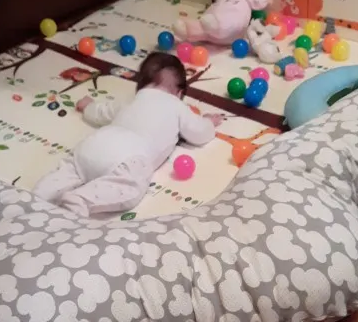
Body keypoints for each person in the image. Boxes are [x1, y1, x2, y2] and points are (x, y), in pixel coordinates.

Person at [34, 53, 221, 217]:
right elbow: (199, 133)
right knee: (130, 187)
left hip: (96, 144)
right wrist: (209, 122)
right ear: (179, 93)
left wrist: (88, 106)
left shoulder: (131, 101)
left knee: (67, 172)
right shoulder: (177, 106)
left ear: (141, 85)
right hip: (129, 157)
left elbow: (102, 112)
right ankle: (79, 201)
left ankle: (35, 198)